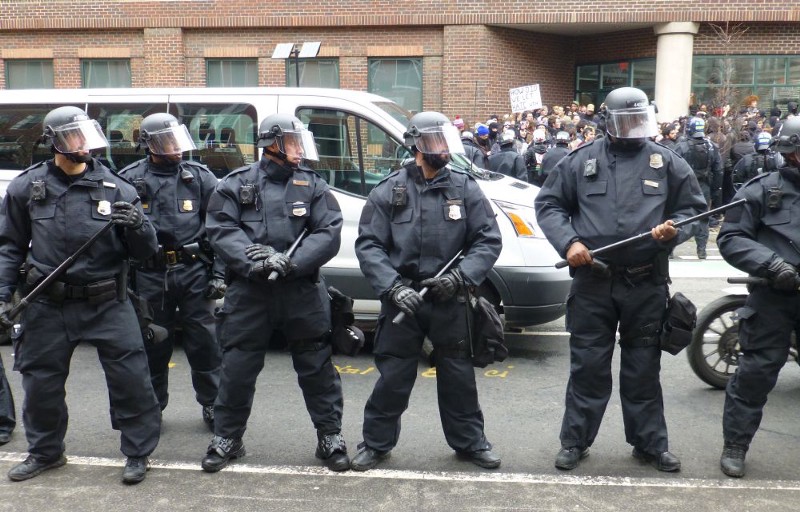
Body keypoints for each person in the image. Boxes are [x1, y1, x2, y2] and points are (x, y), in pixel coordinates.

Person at [534, 87, 706, 473]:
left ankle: (649, 444)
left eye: (638, 120)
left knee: (643, 367)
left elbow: (695, 210)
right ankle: (575, 442)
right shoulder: (580, 162)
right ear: (607, 122)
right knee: (588, 367)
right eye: (625, 121)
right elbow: (549, 205)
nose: (633, 128)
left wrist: (674, 230)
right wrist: (569, 242)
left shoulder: (668, 162)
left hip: (645, 284)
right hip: (593, 282)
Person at [0, 106, 161, 484]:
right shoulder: (27, 187)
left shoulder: (118, 188)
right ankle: (46, 452)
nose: (83, 145)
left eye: (85, 135)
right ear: (53, 141)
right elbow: (8, 246)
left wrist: (139, 227)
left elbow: (145, 253)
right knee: (41, 383)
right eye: (73, 137)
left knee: (131, 381)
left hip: (108, 301)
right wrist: (3, 294)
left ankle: (137, 453)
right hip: (46, 303)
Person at [350, 111, 503, 471]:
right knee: (393, 378)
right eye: (436, 141)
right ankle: (376, 443)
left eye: (445, 140)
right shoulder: (388, 189)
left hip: (450, 298)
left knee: (458, 376)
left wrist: (459, 278)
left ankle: (469, 443)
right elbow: (369, 245)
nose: (444, 148)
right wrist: (391, 288)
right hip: (403, 299)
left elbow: (487, 239)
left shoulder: (464, 187)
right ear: (417, 145)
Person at [201, 113, 348, 473]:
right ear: (273, 144)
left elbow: (327, 232)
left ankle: (329, 435)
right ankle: (228, 437)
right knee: (237, 366)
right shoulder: (234, 185)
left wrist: (290, 262)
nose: (300, 150)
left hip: (300, 290)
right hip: (251, 293)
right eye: (294, 142)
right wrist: (258, 261)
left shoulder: (312, 185)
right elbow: (221, 230)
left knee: (316, 365)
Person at [119, 113, 224, 429]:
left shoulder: (200, 177)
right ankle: (153, 406)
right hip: (149, 275)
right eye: (167, 142)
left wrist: (219, 274)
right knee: (153, 343)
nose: (175, 149)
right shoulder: (129, 180)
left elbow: (221, 229)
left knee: (205, 343)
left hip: (194, 272)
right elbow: (117, 236)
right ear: (149, 145)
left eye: (177, 140)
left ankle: (213, 404)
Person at [716, 116, 800, 478]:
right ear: (793, 151)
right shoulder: (763, 189)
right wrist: (773, 265)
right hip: (775, 296)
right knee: (754, 374)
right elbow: (731, 237)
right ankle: (736, 444)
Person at [674, 116, 723, 259]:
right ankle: (701, 250)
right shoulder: (711, 146)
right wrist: (715, 190)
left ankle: (670, 249)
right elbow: (719, 170)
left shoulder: (681, 145)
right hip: (704, 186)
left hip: (684, 185)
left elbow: (672, 167)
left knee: (678, 215)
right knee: (703, 217)